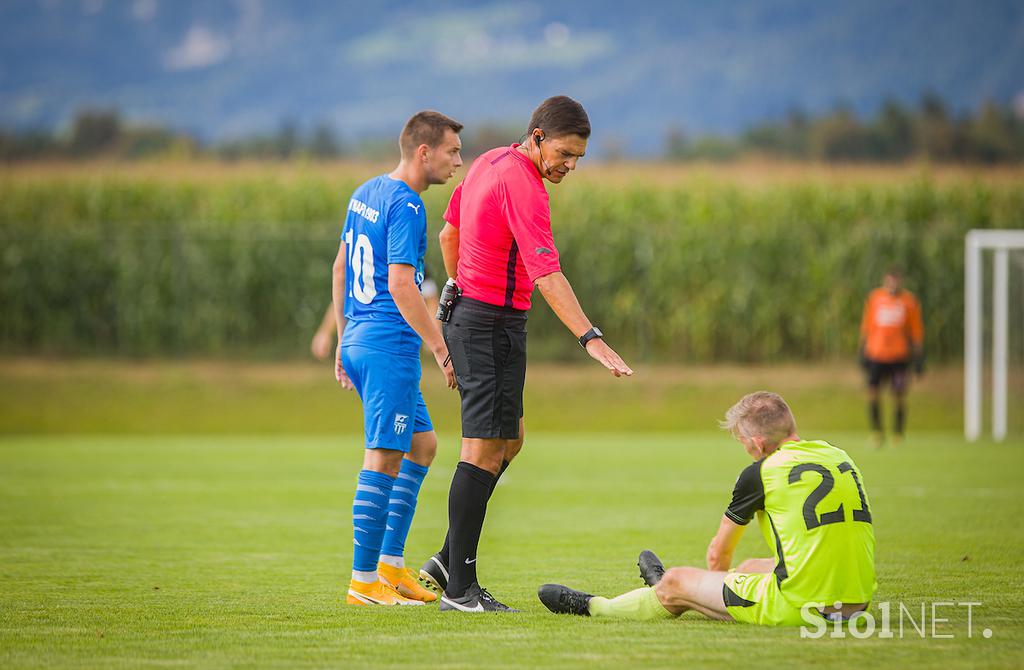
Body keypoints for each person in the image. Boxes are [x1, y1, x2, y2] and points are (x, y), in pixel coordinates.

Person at [418, 95, 633, 613]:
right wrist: (591, 338)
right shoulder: (523, 183)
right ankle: (460, 591)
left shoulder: (490, 160)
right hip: (489, 323)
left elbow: (450, 232)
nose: (570, 165)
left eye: (579, 157)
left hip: (484, 319)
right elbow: (547, 274)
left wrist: (456, 287)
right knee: (483, 450)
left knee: (510, 440)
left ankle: (448, 559)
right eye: (564, 153)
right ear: (537, 137)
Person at [538, 391, 877, 627]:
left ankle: (599, 606)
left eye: (742, 440)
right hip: (857, 603)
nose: (743, 447)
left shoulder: (761, 471)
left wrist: (698, 587)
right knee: (749, 568)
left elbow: (717, 556)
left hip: (803, 607)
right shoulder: (839, 455)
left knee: (677, 581)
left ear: (758, 443)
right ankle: (675, 593)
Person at [332, 110, 462, 606]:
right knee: (384, 455)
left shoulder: (365, 191)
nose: (457, 162)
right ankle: (363, 582)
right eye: (451, 151)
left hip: (363, 340)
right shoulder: (407, 204)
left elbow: (341, 266)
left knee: (423, 445)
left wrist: (344, 342)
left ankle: (389, 567)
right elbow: (401, 284)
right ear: (423, 151)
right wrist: (440, 346)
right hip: (390, 347)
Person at [859, 268, 925, 447]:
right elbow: (867, 326)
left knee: (899, 395)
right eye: (890, 281)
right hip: (876, 354)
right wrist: (862, 350)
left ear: (900, 281)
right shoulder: (875, 298)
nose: (893, 284)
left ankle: (898, 433)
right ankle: (876, 432)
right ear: (885, 281)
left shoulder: (908, 302)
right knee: (873, 393)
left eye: (896, 280)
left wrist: (918, 358)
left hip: (898, 356)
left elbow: (916, 331)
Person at [311, 273, 439, 360]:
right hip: (375, 343)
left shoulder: (406, 255)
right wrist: (325, 332)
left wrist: (432, 336)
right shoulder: (364, 257)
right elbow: (343, 295)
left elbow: (431, 296)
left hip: (397, 342)